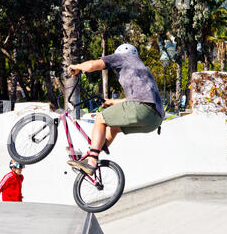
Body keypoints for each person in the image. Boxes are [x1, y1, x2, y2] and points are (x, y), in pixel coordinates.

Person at [67, 43, 164, 175]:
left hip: (141, 108)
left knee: (101, 118)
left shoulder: (122, 57)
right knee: (115, 128)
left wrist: (76, 67)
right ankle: (89, 155)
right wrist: (113, 102)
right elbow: (140, 98)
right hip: (155, 120)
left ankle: (91, 162)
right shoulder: (143, 69)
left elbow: (91, 66)